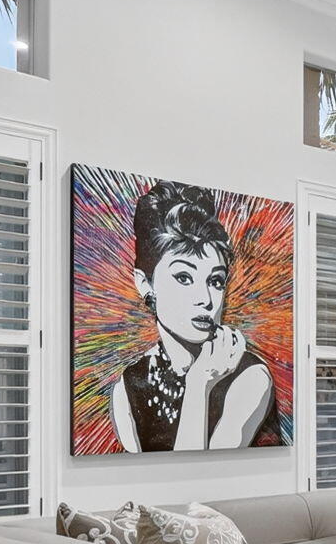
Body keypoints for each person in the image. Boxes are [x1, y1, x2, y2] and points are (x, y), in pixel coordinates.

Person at [109, 181, 277, 451]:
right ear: (145, 284)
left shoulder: (250, 376)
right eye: (184, 277)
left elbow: (204, 475)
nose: (206, 299)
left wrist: (200, 382)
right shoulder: (129, 387)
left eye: (216, 281)